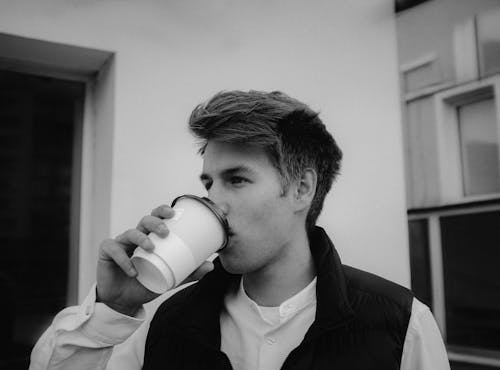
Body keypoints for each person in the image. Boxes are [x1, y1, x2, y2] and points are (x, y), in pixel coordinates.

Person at [30, 90, 450, 370]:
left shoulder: (399, 322)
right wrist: (113, 309)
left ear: (301, 188)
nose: (214, 200)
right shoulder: (166, 322)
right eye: (208, 182)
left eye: (237, 179)